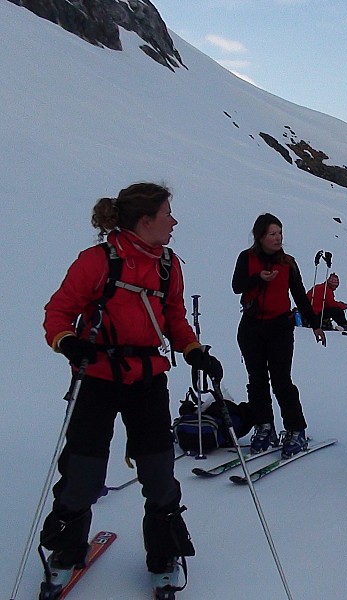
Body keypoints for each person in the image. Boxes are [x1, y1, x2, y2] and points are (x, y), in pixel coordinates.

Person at [40, 183, 223, 595]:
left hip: (148, 379)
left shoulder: (168, 265)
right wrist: (67, 341)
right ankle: (66, 551)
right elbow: (58, 312)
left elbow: (174, 317)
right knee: (83, 473)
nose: (173, 221)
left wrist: (194, 350)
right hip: (98, 378)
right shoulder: (96, 262)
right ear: (145, 221)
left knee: (158, 472)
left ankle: (163, 553)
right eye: (167, 213)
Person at [232, 213, 325, 457]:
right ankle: (265, 426)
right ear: (260, 237)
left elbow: (300, 295)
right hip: (251, 326)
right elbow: (237, 286)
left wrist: (315, 324)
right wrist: (258, 279)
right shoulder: (247, 258)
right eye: (272, 234)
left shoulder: (287, 263)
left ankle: (296, 429)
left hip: (279, 327)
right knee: (257, 380)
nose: (278, 238)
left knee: (282, 381)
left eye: (280, 233)